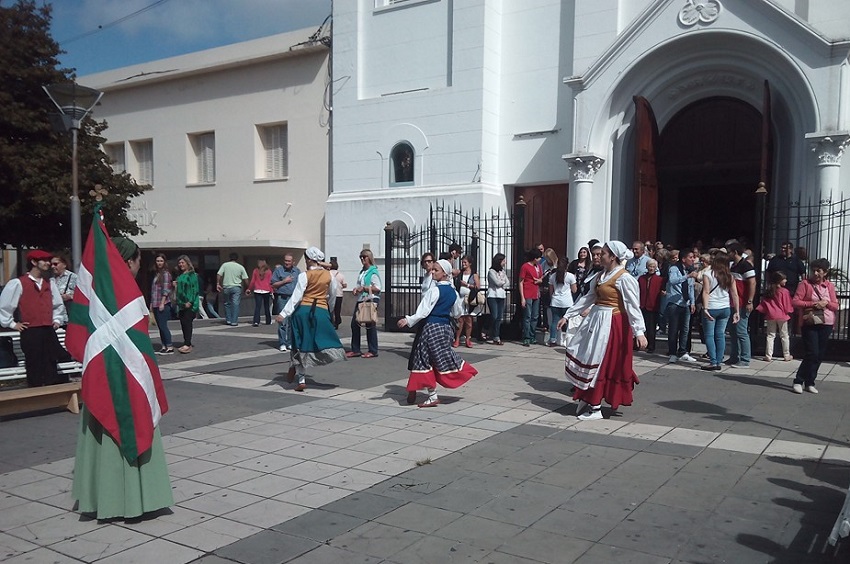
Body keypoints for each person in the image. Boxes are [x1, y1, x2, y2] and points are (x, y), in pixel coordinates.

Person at [71, 235, 173, 519]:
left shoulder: (95, 292)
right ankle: (134, 498)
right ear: (128, 261)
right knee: (132, 421)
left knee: (100, 432)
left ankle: (99, 495)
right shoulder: (127, 294)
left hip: (99, 378)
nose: (140, 266)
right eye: (139, 261)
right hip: (129, 379)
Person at [558, 241, 647, 421]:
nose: (599, 256)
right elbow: (587, 298)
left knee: (602, 362)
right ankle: (586, 396)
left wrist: (639, 331)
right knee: (586, 355)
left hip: (613, 323)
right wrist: (568, 315)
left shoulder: (624, 278)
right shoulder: (600, 276)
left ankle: (596, 405)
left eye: (603, 253)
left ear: (613, 256)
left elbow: (632, 306)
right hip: (596, 321)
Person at [398, 259, 478, 407]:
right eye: (433, 269)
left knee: (423, 359)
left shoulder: (434, 290)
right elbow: (456, 313)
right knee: (440, 357)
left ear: (445, 273)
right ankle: (462, 370)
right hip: (445, 328)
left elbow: (423, 311)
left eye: (436, 270)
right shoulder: (453, 292)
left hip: (431, 328)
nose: (433, 272)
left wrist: (408, 320)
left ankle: (432, 395)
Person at [275, 247, 346, 391]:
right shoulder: (329, 276)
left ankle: (300, 377)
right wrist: (328, 310)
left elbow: (296, 296)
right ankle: (296, 369)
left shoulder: (304, 275)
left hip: (303, 312)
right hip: (320, 311)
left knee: (299, 343)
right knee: (316, 341)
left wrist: (283, 313)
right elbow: (332, 296)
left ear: (309, 259)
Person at [0, 250, 69, 387]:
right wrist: (13, 324)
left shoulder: (50, 283)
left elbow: (58, 305)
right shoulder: (18, 283)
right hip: (31, 330)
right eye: (44, 260)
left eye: (48, 260)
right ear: (33, 262)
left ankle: (53, 394)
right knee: (34, 363)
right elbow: (5, 306)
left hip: (48, 329)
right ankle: (36, 392)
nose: (48, 263)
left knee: (51, 361)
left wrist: (57, 320)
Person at [791, 258, 839, 394]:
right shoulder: (805, 284)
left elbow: (835, 305)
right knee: (811, 352)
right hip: (810, 322)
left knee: (819, 355)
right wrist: (811, 304)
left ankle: (810, 382)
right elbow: (795, 302)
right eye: (814, 270)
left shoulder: (829, 286)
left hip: (827, 323)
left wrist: (826, 303)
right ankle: (798, 380)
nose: (816, 273)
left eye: (819, 271)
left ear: (825, 272)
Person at [700, 253, 739, 371]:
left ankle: (713, 361)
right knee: (720, 335)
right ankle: (719, 360)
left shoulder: (708, 274)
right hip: (725, 307)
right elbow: (734, 294)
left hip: (711, 306)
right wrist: (736, 311)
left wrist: (705, 308)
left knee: (709, 335)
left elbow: (706, 292)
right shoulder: (730, 276)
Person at [665, 251, 699, 364]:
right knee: (673, 329)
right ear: (683, 259)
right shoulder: (674, 269)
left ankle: (683, 351)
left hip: (686, 303)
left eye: (694, 257)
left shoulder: (690, 270)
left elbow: (690, 288)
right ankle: (673, 353)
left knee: (685, 329)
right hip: (675, 303)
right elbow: (672, 281)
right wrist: (687, 276)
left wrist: (692, 302)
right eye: (690, 257)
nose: (693, 259)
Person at [347, 249, 381, 358]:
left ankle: (373, 350)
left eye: (364, 257)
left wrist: (365, 288)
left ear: (369, 257)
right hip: (361, 299)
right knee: (354, 324)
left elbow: (378, 288)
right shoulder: (362, 272)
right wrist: (356, 289)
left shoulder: (373, 271)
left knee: (370, 324)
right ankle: (356, 349)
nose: (362, 259)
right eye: (361, 257)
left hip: (370, 299)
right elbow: (359, 285)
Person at [727, 242, 756, 367]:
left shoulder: (746, 266)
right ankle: (734, 356)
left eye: (729, 252)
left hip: (743, 303)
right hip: (733, 302)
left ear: (735, 252)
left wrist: (750, 301)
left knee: (741, 331)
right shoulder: (733, 266)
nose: (728, 254)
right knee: (733, 331)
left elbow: (752, 283)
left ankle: (745, 359)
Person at [757, 271, 794, 362]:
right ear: (779, 281)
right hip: (782, 315)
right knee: (784, 335)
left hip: (771, 315)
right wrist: (790, 311)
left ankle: (768, 355)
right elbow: (787, 304)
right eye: (783, 279)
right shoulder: (784, 291)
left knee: (770, 335)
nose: (785, 280)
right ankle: (786, 355)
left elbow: (764, 303)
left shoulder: (769, 291)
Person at [271, 254, 301, 352]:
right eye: (285, 261)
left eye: (289, 261)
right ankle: (282, 343)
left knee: (292, 321)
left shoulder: (297, 271)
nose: (287, 263)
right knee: (282, 321)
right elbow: (273, 284)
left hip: (294, 299)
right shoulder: (278, 271)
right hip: (282, 298)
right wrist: (284, 281)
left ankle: (290, 342)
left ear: (293, 262)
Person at [453, 255, 481, 348]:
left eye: (465, 262)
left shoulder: (474, 274)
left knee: (469, 320)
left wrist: (467, 285)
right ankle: (457, 338)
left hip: (469, 299)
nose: (463, 264)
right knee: (460, 320)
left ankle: (468, 338)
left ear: (470, 263)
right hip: (460, 299)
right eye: (462, 262)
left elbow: (478, 287)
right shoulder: (459, 273)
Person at [548, 258, 576, 346]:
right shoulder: (570, 276)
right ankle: (568, 340)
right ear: (567, 265)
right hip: (567, 302)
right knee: (568, 321)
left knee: (554, 321)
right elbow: (574, 290)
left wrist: (552, 298)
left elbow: (551, 291)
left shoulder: (553, 276)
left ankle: (553, 339)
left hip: (555, 302)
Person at [638, 259, 664, 353]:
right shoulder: (641, 278)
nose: (651, 268)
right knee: (642, 326)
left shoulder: (659, 279)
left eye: (653, 267)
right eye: (650, 266)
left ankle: (651, 346)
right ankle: (641, 344)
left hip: (653, 305)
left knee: (651, 327)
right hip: (642, 304)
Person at [175, 255, 200, 354]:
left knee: (187, 323)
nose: (181, 265)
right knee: (183, 324)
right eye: (179, 263)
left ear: (187, 263)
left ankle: (188, 343)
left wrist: (190, 301)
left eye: (183, 262)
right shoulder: (181, 275)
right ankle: (185, 342)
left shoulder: (191, 275)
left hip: (189, 304)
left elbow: (194, 289)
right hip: (181, 304)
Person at [519, 248, 543, 346]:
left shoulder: (539, 267)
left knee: (535, 316)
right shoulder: (525, 267)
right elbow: (521, 282)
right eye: (539, 257)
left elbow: (540, 278)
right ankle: (526, 336)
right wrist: (522, 297)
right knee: (527, 316)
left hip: (536, 293)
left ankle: (532, 335)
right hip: (527, 293)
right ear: (535, 258)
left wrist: (540, 281)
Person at [150, 253, 174, 354]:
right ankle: (164, 345)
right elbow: (154, 291)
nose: (159, 263)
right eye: (157, 261)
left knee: (163, 325)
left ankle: (169, 346)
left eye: (161, 261)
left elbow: (166, 290)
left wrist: (162, 303)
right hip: (155, 303)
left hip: (162, 304)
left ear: (164, 262)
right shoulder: (157, 274)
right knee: (160, 326)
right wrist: (151, 303)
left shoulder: (165, 274)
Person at [217, 253, 248, 326]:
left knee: (227, 303)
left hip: (226, 286)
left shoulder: (225, 265)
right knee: (235, 304)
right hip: (236, 287)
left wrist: (218, 283)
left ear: (229, 258)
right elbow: (245, 278)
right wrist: (248, 288)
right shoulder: (240, 267)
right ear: (237, 258)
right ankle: (234, 321)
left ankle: (228, 320)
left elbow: (219, 274)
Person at [486, 253, 508, 345]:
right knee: (494, 316)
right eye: (503, 261)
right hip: (492, 295)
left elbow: (507, 282)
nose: (505, 262)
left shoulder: (502, 271)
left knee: (499, 317)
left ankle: (496, 336)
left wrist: (502, 283)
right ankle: (487, 329)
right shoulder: (491, 271)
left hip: (501, 295)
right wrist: (502, 283)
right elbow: (496, 282)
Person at [246, 259, 273, 327]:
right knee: (266, 306)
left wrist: (249, 289)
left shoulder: (255, 271)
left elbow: (252, 281)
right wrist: (272, 291)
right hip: (266, 290)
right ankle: (268, 320)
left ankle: (256, 321)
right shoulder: (269, 271)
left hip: (257, 290)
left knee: (258, 306)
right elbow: (270, 282)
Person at [329, 258, 347, 329]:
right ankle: (337, 322)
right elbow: (345, 285)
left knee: (330, 309)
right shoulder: (341, 275)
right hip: (339, 294)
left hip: (330, 294)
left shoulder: (328, 274)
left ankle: (330, 321)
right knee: (337, 310)